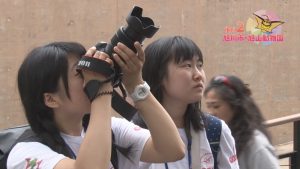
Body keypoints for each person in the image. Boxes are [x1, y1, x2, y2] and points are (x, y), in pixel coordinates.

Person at [6, 41, 185, 169]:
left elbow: (173, 150)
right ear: (51, 99)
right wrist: (101, 91)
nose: (90, 75)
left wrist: (135, 83)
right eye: (80, 72)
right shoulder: (25, 153)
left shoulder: (111, 129)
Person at [133, 36, 239, 169]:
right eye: (187, 65)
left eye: (199, 65)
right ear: (158, 75)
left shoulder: (215, 130)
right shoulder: (132, 134)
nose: (198, 75)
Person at [204, 75, 280, 169]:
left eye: (216, 106)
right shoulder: (214, 137)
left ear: (235, 106)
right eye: (208, 106)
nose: (211, 113)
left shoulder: (256, 146)